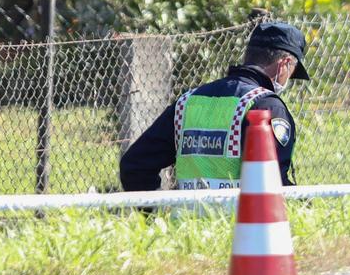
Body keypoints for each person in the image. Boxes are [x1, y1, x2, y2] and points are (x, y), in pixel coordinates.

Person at [119, 21, 310, 191]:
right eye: (292, 72)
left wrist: (156, 215)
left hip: (187, 225)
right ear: (284, 64)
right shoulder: (267, 106)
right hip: (243, 226)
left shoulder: (187, 102)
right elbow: (273, 183)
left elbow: (134, 167)